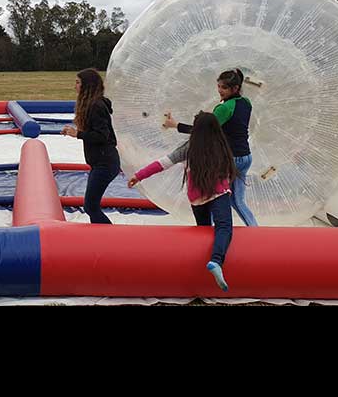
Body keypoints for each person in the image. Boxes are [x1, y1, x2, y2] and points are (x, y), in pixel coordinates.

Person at [129, 112, 237, 291]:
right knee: (224, 227)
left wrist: (139, 176)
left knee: (203, 232)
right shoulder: (221, 144)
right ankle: (216, 260)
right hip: (218, 193)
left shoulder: (190, 148)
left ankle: (199, 269)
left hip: (197, 197)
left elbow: (162, 163)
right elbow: (230, 169)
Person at [163, 68, 257, 227]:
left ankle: (211, 231)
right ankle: (255, 231)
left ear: (235, 88)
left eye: (224, 88)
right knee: (238, 201)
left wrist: (175, 125)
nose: (220, 90)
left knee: (214, 197)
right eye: (219, 86)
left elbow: (202, 131)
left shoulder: (224, 108)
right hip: (246, 156)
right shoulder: (246, 103)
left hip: (231, 159)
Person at [61, 68, 121, 224]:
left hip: (106, 163)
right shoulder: (93, 105)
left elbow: (103, 135)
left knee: (90, 206)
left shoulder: (96, 106)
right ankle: (102, 238)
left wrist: (78, 134)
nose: (75, 86)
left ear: (87, 85)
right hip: (100, 162)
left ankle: (110, 238)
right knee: (91, 205)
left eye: (78, 82)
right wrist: (74, 131)